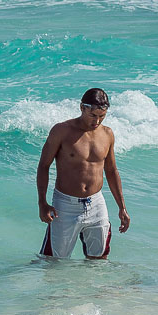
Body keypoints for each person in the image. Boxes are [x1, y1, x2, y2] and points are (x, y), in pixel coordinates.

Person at [37, 88, 129, 259]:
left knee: (99, 260)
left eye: (102, 116)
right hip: (65, 205)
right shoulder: (61, 131)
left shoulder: (107, 134)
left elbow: (111, 170)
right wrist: (42, 202)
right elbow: (44, 165)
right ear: (82, 108)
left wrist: (122, 207)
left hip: (96, 204)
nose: (97, 120)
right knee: (55, 262)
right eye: (93, 115)